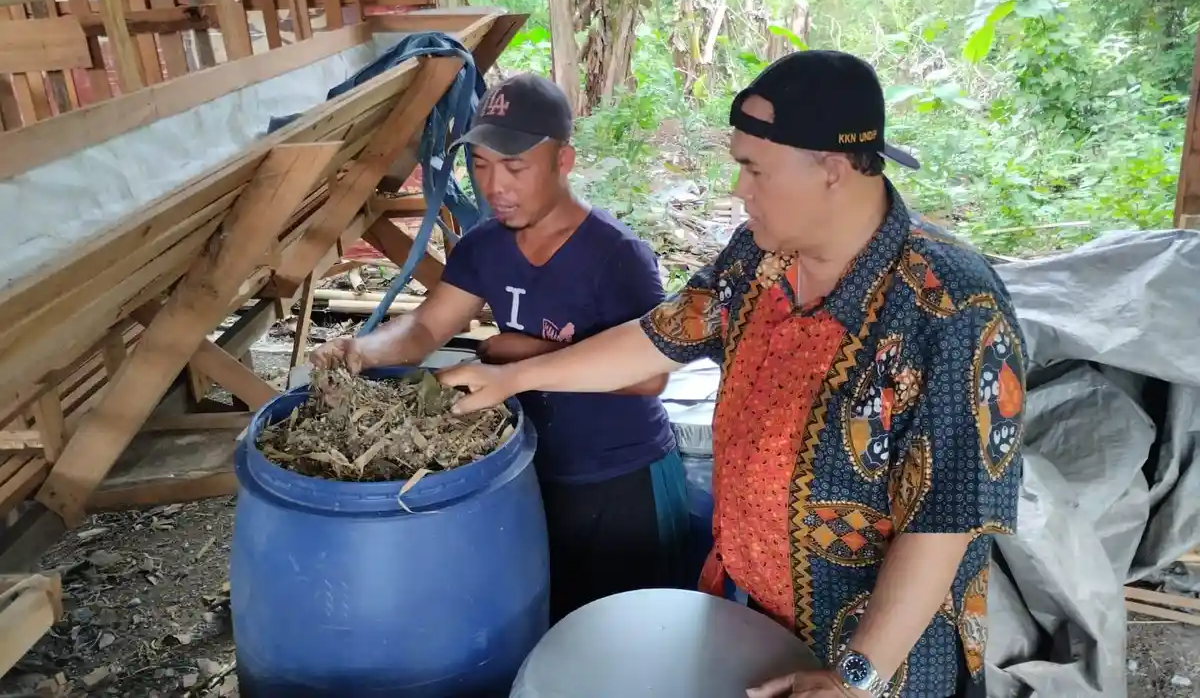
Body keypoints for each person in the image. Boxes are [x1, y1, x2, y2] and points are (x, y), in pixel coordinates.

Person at [438, 52, 1027, 698]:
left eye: (753, 169)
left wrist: (854, 676)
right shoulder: (759, 259)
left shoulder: (952, 310)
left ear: (831, 169)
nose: (737, 190)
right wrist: (512, 380)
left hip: (875, 658)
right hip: (745, 614)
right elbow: (655, 339)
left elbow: (941, 524)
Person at [309, 73, 689, 624]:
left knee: (628, 634)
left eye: (514, 167)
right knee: (547, 625)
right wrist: (361, 350)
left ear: (564, 161)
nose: (495, 186)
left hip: (620, 480)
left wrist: (517, 354)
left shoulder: (618, 256)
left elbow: (651, 378)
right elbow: (421, 330)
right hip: (524, 472)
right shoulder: (484, 247)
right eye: (482, 165)